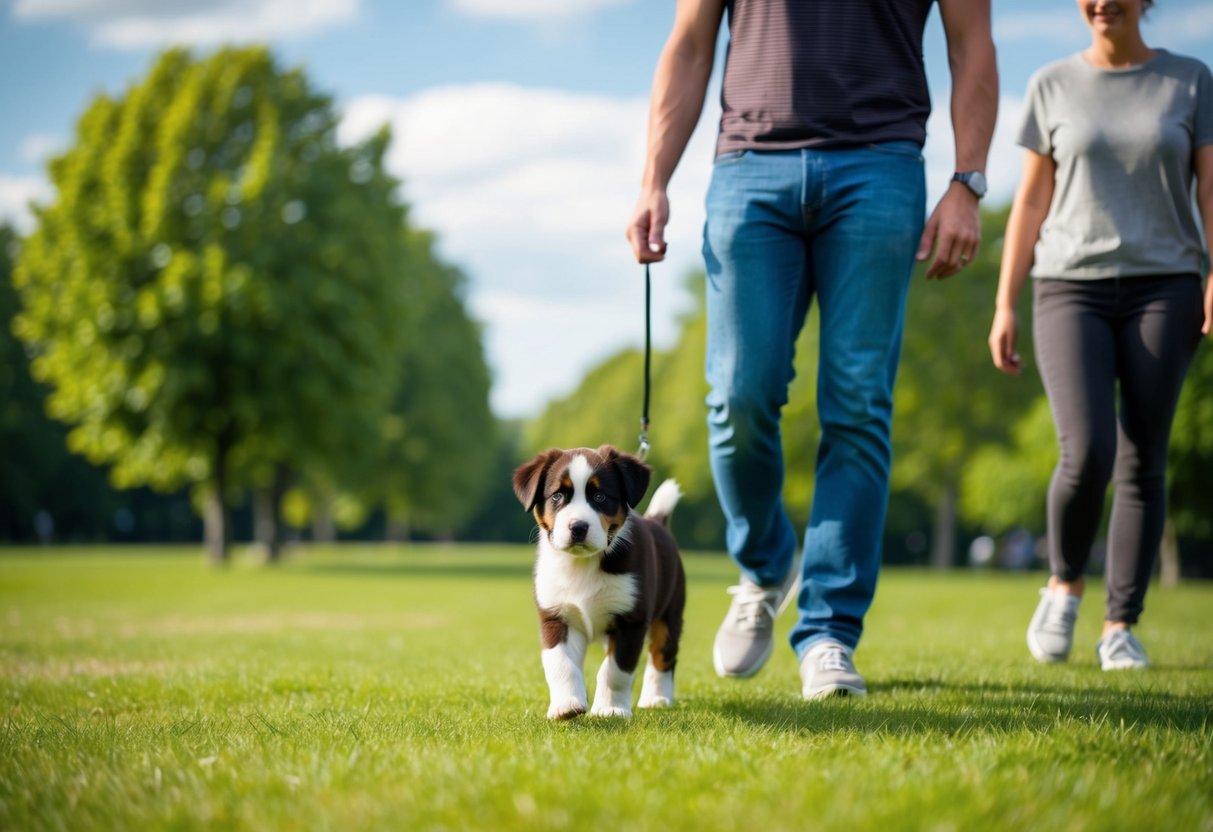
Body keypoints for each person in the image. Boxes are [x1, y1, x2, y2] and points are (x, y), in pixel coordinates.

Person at [626, 0, 997, 698]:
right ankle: (765, 567)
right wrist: (653, 178)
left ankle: (827, 630)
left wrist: (967, 182)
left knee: (857, 404)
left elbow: (970, 42)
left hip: (879, 167)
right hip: (749, 166)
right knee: (737, 395)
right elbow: (689, 43)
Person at [988, 0, 1213, 671]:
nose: (1100, 2)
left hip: (1165, 283)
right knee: (1084, 449)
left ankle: (1119, 624)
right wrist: (1003, 302)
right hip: (1067, 285)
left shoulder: (1190, 81)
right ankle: (1061, 584)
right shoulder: (1051, 84)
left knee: (1142, 457)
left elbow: (1210, 190)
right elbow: (1030, 200)